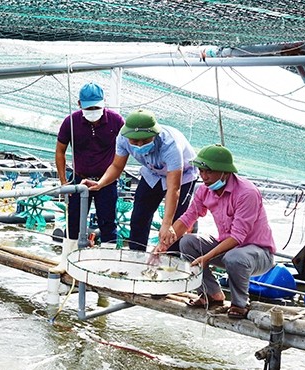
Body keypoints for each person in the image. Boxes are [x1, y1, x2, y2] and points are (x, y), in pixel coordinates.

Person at [156, 144, 276, 319]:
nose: (204, 177)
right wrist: (164, 243)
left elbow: (237, 237)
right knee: (187, 242)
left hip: (258, 253)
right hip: (228, 248)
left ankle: (239, 303)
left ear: (225, 172)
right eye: (201, 171)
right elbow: (188, 217)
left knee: (235, 257)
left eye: (209, 172)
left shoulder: (247, 193)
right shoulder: (204, 190)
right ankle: (210, 294)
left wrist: (207, 257)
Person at [84, 109, 198, 251]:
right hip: (152, 173)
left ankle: (170, 262)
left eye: (145, 140)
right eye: (135, 141)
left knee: (175, 224)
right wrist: (100, 183)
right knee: (139, 216)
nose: (139, 144)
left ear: (155, 134)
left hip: (183, 176)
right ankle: (136, 256)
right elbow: (116, 166)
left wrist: (166, 224)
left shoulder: (170, 145)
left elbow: (173, 188)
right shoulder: (123, 138)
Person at [51, 82, 125, 272]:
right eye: (89, 108)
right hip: (79, 179)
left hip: (106, 181)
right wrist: (64, 182)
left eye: (96, 107)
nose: (93, 111)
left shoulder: (116, 121)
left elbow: (126, 149)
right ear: (79, 104)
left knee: (108, 222)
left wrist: (107, 178)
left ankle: (108, 265)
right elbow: (60, 151)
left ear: (104, 103)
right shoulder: (71, 121)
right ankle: (67, 261)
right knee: (73, 219)